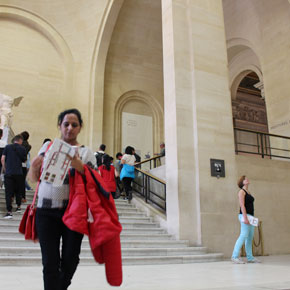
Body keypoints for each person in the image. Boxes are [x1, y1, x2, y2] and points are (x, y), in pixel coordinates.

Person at [28, 108, 96, 290]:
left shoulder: (86, 152)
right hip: (46, 211)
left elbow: (95, 182)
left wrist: (78, 165)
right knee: (49, 262)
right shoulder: (48, 147)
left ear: (80, 127)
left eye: (74, 125)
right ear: (60, 126)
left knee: (71, 259)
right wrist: (34, 167)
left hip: (74, 213)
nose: (70, 128)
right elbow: (34, 179)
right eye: (66, 124)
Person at [231, 175, 261, 264]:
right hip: (244, 215)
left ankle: (250, 257)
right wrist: (245, 217)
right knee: (243, 235)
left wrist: (251, 218)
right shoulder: (241, 192)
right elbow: (242, 205)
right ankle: (234, 256)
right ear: (242, 182)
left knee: (250, 237)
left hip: (250, 216)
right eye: (245, 179)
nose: (247, 179)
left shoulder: (248, 192)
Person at [1, 134, 27, 218]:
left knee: (8, 192)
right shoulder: (23, 148)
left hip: (9, 173)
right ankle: (18, 207)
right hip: (19, 173)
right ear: (20, 140)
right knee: (18, 191)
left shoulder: (8, 147)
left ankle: (9, 212)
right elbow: (24, 160)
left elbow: (2, 158)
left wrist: (5, 168)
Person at [20, 131, 32, 202]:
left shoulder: (20, 146)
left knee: (21, 180)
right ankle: (23, 195)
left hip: (21, 164)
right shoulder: (28, 146)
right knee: (22, 179)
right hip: (25, 165)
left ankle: (29, 188)